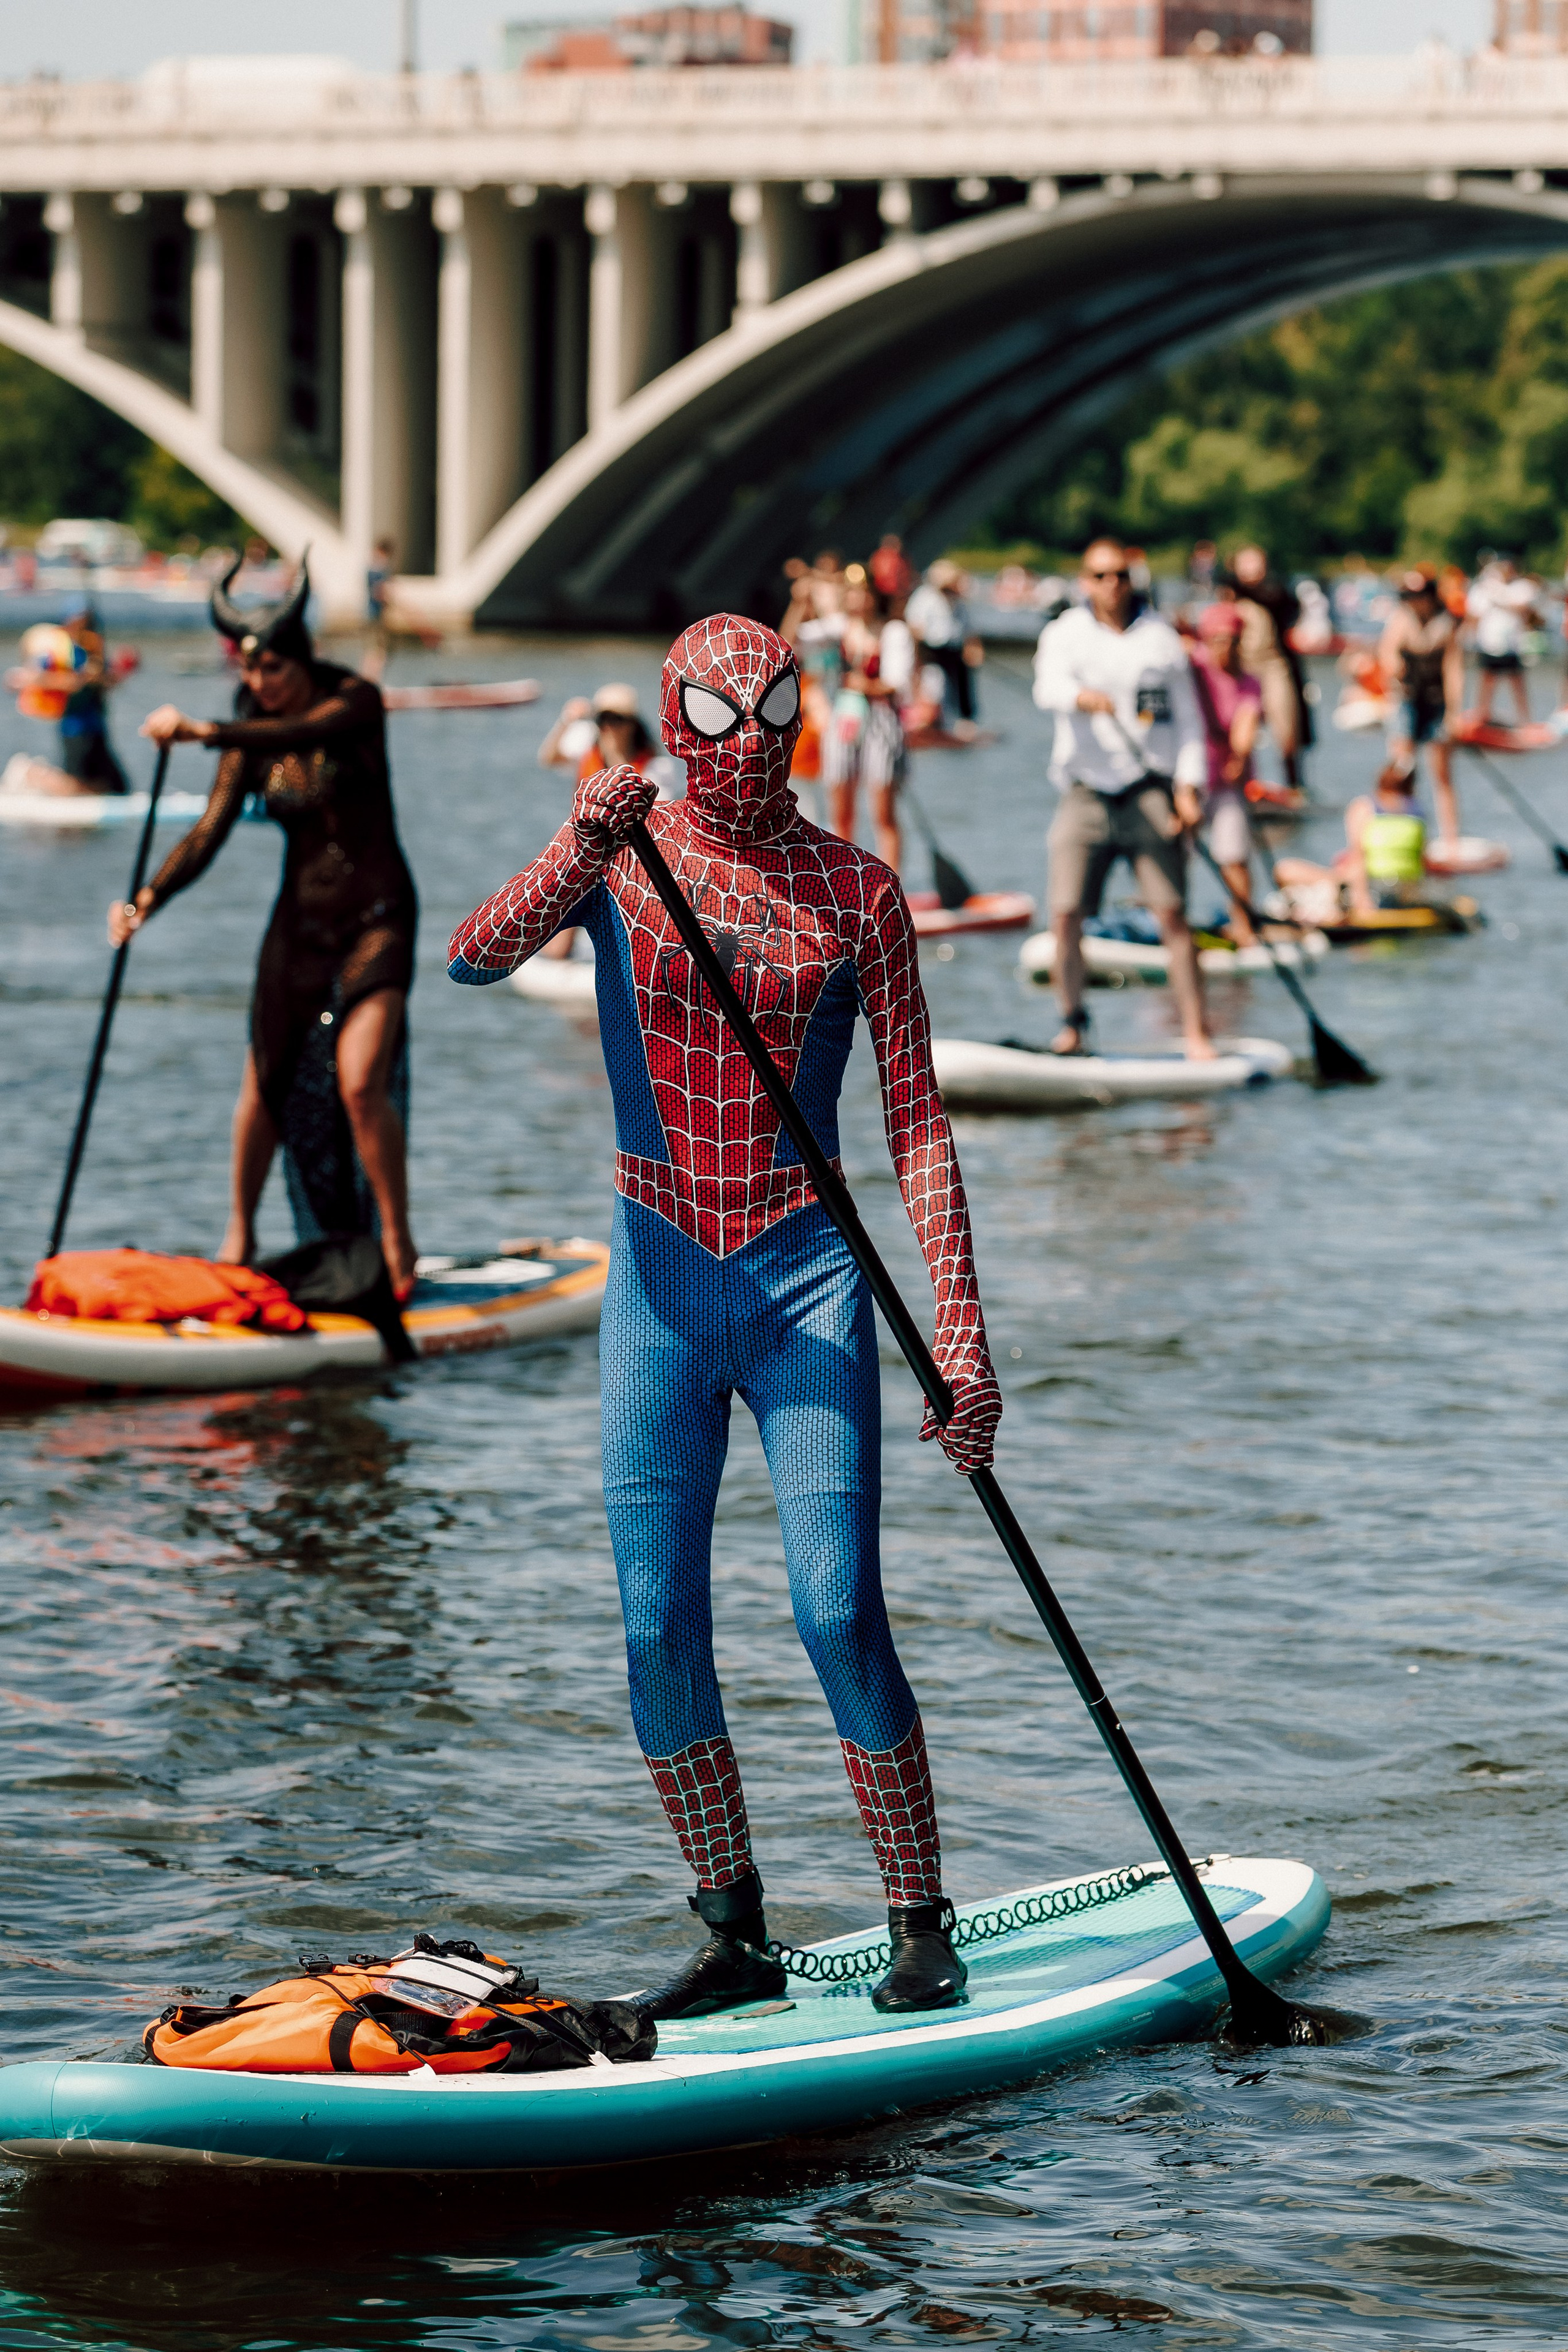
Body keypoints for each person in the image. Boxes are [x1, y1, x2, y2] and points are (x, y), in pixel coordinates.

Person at [449, 613, 1001, 2020]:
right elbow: (472, 955)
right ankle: (733, 1932)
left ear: (802, 718)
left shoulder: (858, 889)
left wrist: (959, 1336)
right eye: (716, 718)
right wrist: (575, 846)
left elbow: (916, 1120)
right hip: (656, 1280)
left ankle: (917, 1920)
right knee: (654, 1628)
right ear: (671, 716)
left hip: (808, 1275)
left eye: (772, 716)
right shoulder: (620, 852)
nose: (746, 745)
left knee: (836, 1609)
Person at [108, 559, 420, 1296]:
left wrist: (206, 731)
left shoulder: (355, 700)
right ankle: (240, 1235)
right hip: (298, 927)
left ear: (302, 658)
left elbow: (308, 728)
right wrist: (146, 898)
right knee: (263, 1085)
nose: (260, 682)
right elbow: (208, 831)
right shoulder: (251, 729)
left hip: (377, 920)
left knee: (359, 1083)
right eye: (249, 671)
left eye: (273, 668)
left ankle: (397, 1240)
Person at [1033, 539, 1215, 1060]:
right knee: (1065, 913)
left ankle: (1196, 1033)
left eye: (1120, 575)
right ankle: (1073, 1026)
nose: (1111, 584)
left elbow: (1189, 723)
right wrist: (1080, 697)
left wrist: (1189, 788)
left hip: (1148, 789)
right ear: (1085, 581)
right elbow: (1046, 689)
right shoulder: (1064, 633)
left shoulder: (1161, 639)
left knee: (1173, 915)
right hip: (1086, 790)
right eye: (1100, 575)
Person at [821, 573, 913, 870]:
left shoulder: (893, 631)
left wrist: (866, 686)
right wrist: (801, 601)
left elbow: (897, 683)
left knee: (883, 813)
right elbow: (792, 639)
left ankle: (892, 883)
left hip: (880, 720)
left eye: (864, 592)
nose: (858, 599)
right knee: (841, 813)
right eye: (852, 592)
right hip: (846, 718)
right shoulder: (839, 627)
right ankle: (841, 879)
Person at [1186, 604, 1262, 948]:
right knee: (1178, 851)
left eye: (1232, 640)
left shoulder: (1249, 682)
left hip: (1229, 779)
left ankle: (1243, 925)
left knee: (1234, 854)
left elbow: (1247, 722)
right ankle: (1173, 923)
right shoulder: (1194, 667)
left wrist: (1240, 756)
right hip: (1191, 776)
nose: (1225, 647)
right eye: (1217, 639)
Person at [1275, 763, 1427, 922]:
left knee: (1285, 869)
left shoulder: (1364, 807)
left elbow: (1359, 856)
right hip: (1407, 888)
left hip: (1372, 886)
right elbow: (1421, 859)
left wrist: (1361, 897)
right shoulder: (1417, 814)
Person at [1378, 565, 1464, 845]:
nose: (1414, 602)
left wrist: (1454, 713)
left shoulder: (1446, 623)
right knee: (1403, 768)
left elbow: (1454, 669)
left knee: (1442, 773)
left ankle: (1450, 839)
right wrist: (1396, 668)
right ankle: (1401, 834)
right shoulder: (1401, 618)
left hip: (1436, 701)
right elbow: (1388, 652)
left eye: (1419, 596)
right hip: (1406, 700)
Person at [1229, 545, 1312, 793]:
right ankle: (1245, 784)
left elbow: (1289, 610)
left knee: (1287, 726)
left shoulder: (1277, 593)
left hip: (1274, 664)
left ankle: (1294, 785)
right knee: (1243, 729)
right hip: (1244, 667)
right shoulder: (1228, 593)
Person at [57, 602, 130, 794]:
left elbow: (107, 682)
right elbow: (47, 679)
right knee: (78, 783)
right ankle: (33, 775)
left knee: (117, 786)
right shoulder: (62, 651)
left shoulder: (94, 650)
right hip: (75, 727)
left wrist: (122, 670)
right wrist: (84, 678)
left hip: (97, 726)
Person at [906, 560, 982, 737]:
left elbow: (968, 628)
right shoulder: (925, 596)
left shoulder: (957, 601)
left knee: (962, 683)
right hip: (931, 649)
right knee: (933, 684)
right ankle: (932, 720)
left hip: (954, 648)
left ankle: (964, 721)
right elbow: (915, 624)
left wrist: (973, 647)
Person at [1467, 554, 1538, 726]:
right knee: (1487, 681)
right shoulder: (1486, 588)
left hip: (1512, 646)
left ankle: (1525, 721)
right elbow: (1474, 614)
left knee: (1517, 683)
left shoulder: (1521, 587)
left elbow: (1523, 608)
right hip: (1490, 645)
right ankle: (1482, 716)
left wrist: (1498, 595)